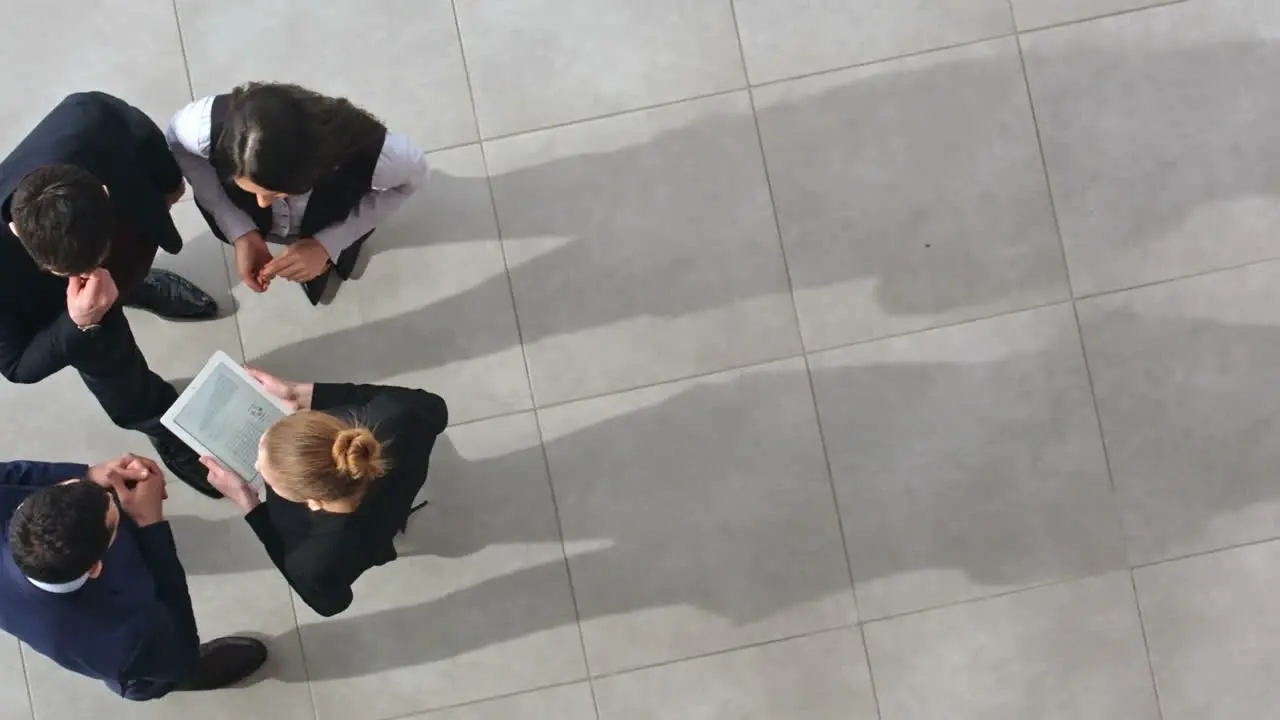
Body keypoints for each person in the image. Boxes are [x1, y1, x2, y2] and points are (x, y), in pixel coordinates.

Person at [0, 92, 223, 498]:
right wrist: (79, 321)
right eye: (75, 271)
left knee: (129, 268)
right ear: (17, 232)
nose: (93, 275)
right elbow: (17, 365)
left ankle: (137, 285)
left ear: (103, 191)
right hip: (60, 311)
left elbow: (133, 125)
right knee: (124, 385)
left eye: (96, 260)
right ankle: (163, 426)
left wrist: (168, 184)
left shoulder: (86, 118)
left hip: (127, 238)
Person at [0, 454, 267, 700]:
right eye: (114, 511)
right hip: (134, 653)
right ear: (96, 567)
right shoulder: (120, 644)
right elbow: (175, 616)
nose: (112, 494)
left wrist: (91, 474)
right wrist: (150, 524)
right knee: (160, 670)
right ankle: (173, 681)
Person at [201, 368, 447, 617]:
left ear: (314, 502)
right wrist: (300, 393)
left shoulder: (313, 560)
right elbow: (436, 408)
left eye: (268, 476)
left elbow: (330, 605)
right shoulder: (399, 413)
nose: (256, 466)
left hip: (366, 544)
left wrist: (250, 505)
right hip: (394, 504)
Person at [166, 82, 429, 305]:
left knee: (343, 250)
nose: (261, 203)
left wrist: (329, 243)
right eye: (252, 190)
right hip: (288, 220)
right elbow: (177, 142)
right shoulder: (199, 127)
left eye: (276, 193)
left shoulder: (383, 157)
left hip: (334, 215)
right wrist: (239, 229)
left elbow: (412, 179)